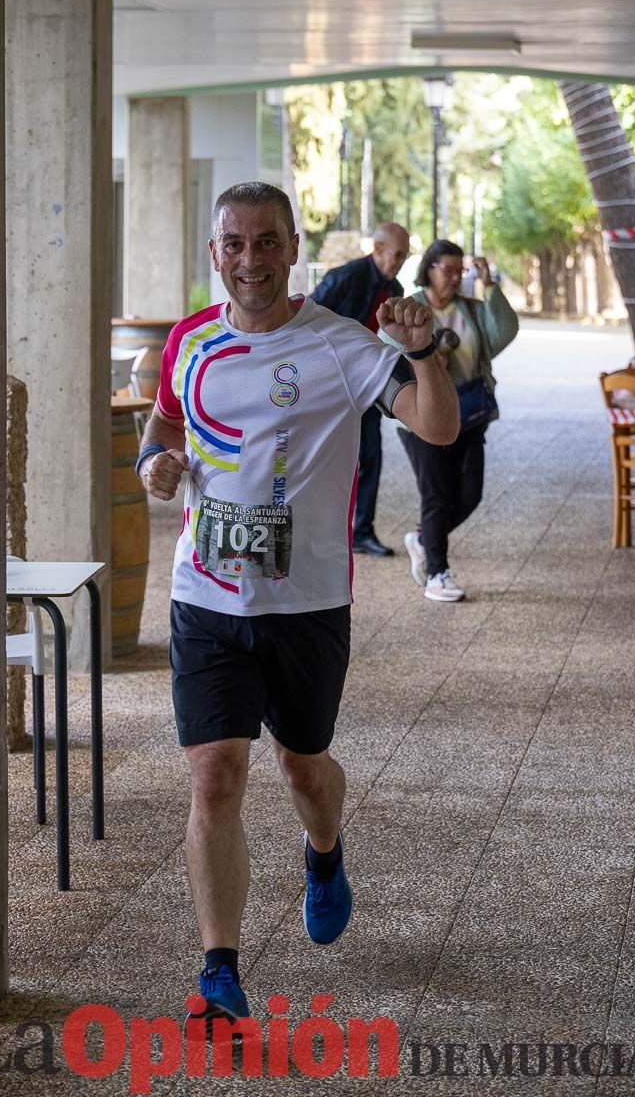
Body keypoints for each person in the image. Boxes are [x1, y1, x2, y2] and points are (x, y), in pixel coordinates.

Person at [137, 183, 458, 1025]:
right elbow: (164, 429)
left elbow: (437, 429)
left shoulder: (341, 346)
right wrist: (153, 468)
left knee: (303, 768)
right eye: (235, 244)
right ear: (217, 254)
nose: (251, 259)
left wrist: (425, 354)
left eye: (267, 242)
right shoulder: (190, 341)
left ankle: (324, 851)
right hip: (205, 595)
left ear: (292, 248)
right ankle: (219, 973)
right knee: (216, 774)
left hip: (307, 605)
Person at [396, 239, 519, 603]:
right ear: (428, 269)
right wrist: (425, 366)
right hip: (422, 416)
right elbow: (386, 352)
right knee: (436, 495)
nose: (454, 277)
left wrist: (490, 285)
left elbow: (505, 331)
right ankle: (437, 573)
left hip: (469, 413)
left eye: (459, 271)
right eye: (446, 270)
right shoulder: (411, 307)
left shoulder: (472, 309)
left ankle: (422, 539)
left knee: (469, 494)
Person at [312, 223, 411, 556]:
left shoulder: (395, 287)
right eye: (396, 254)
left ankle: (362, 531)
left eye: (404, 256)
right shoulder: (345, 277)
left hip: (367, 385)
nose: (399, 262)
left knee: (371, 457)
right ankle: (320, 529)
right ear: (378, 249)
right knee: (324, 458)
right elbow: (309, 318)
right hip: (330, 383)